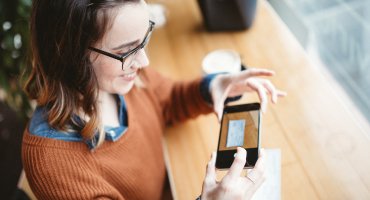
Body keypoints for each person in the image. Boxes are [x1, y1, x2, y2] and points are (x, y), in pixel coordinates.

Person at [22, 0, 286, 199]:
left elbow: (168, 100)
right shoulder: (53, 165)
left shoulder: (122, 77)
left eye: (144, 38)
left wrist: (214, 86)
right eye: (127, 50)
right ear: (70, 54)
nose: (144, 61)